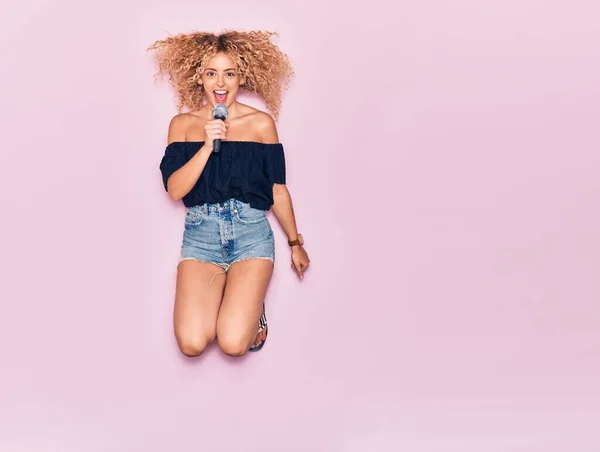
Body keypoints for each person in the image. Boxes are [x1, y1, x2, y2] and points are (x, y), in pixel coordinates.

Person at [147, 30, 310, 357]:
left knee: (234, 344)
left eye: (229, 73)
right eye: (211, 73)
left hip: (251, 233)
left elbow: (278, 189)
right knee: (192, 344)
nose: (220, 83)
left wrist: (295, 243)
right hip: (201, 235)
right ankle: (229, 292)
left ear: (241, 77)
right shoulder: (182, 125)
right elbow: (176, 189)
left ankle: (251, 306)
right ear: (200, 78)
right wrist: (207, 146)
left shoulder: (261, 124)